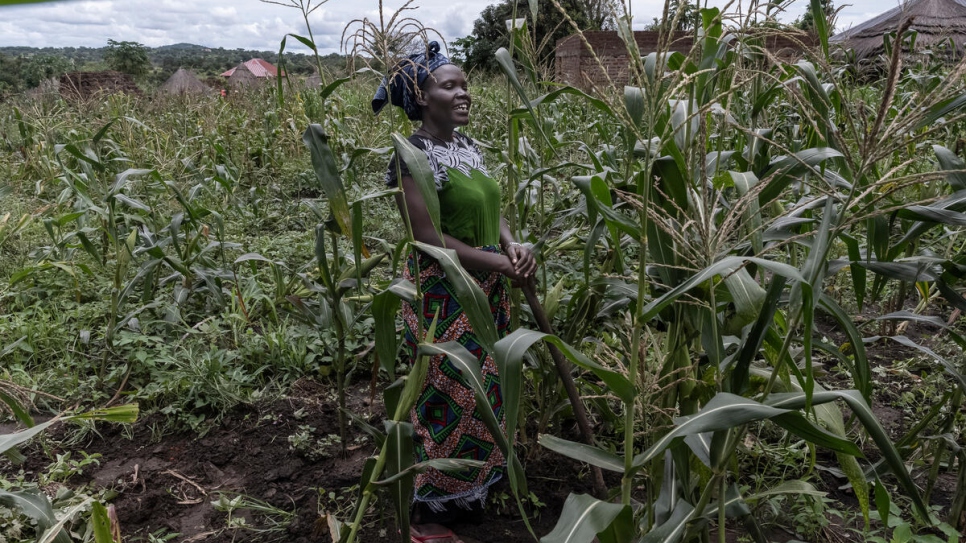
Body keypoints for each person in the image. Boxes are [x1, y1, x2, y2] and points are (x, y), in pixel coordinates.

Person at [373, 41, 536, 543]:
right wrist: (496, 262)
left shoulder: (467, 147)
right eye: (450, 85)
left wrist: (514, 245)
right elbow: (426, 235)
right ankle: (426, 513)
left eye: (465, 84)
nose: (464, 93)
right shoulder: (411, 154)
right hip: (447, 293)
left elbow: (493, 208)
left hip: (489, 287)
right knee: (447, 393)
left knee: (486, 389)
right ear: (422, 97)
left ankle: (471, 487)